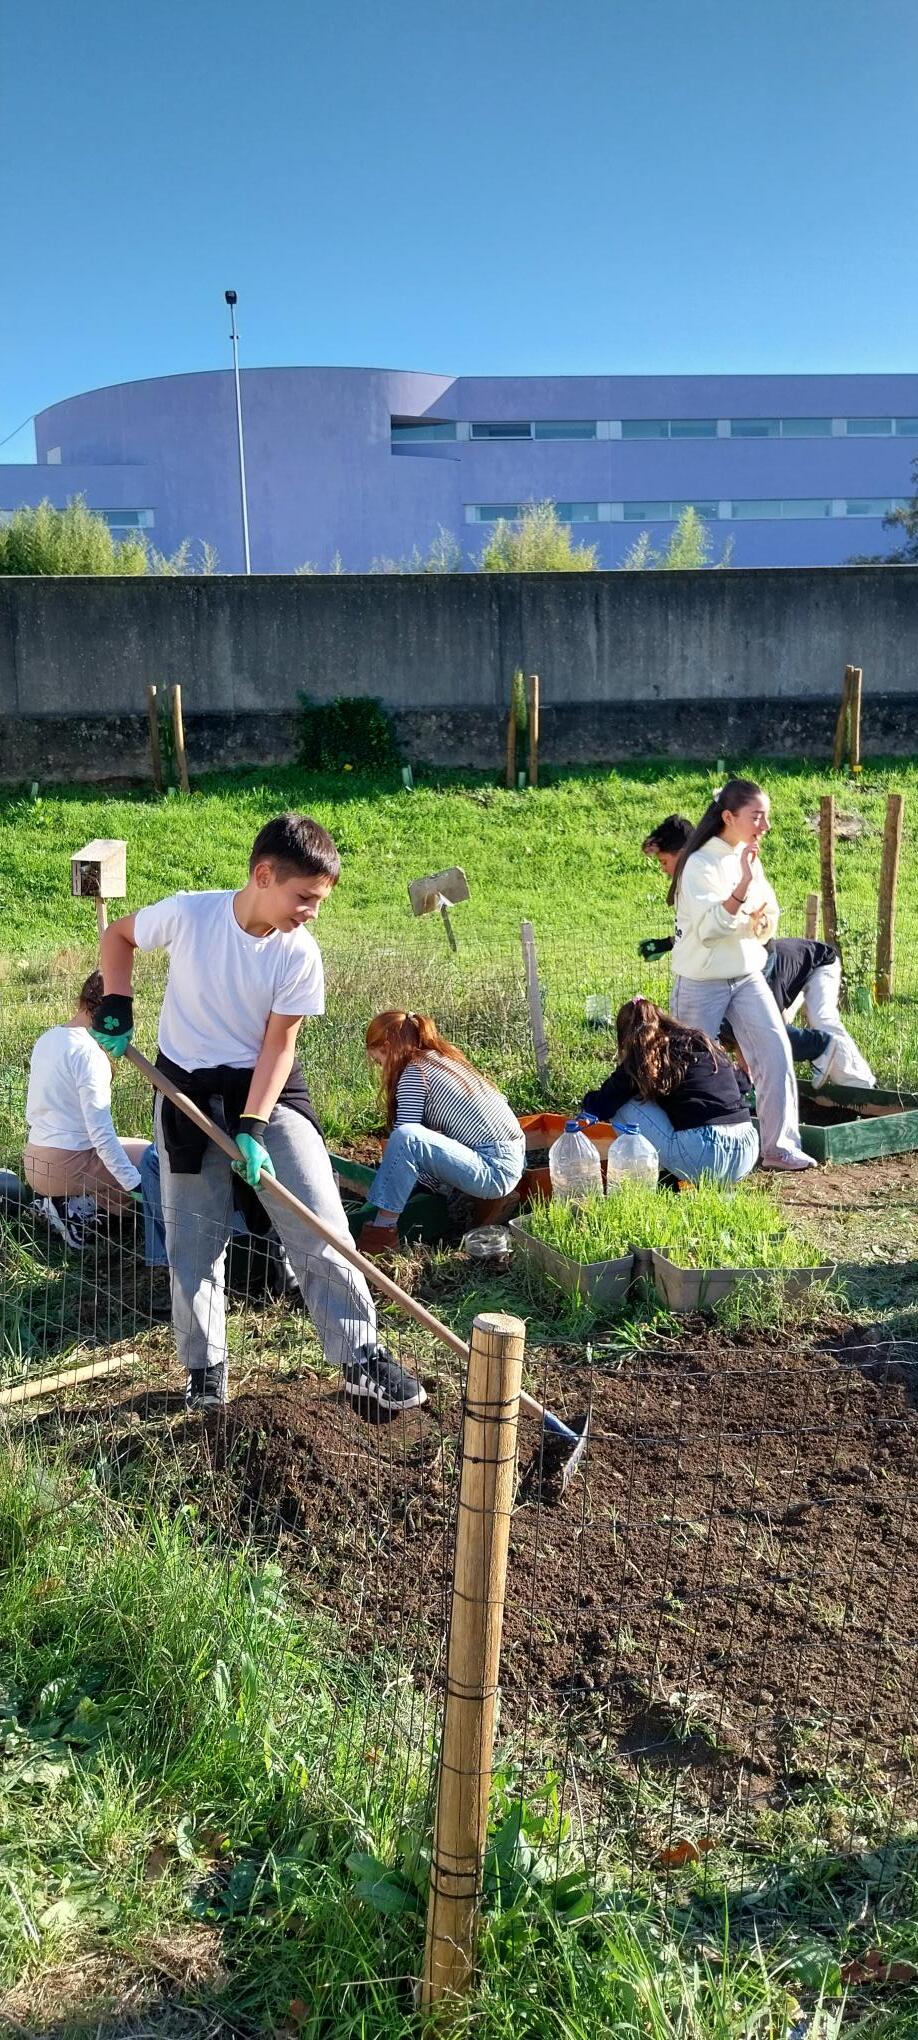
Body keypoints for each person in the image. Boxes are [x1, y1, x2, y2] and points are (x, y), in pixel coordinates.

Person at [92, 813, 425, 1412]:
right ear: (264, 875)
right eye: (304, 897)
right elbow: (118, 936)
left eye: (320, 901)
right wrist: (117, 1004)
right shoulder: (191, 915)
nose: (312, 912)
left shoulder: (300, 953)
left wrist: (252, 1126)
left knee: (320, 1218)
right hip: (183, 1089)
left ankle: (360, 1358)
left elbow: (280, 1044)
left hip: (265, 1088)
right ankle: (205, 1371)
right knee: (194, 1240)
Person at [642, 812, 875, 1090]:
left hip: (816, 963)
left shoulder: (711, 868)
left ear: (683, 853)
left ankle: (860, 1086)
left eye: (664, 861)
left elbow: (731, 921)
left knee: (818, 1021)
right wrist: (667, 943)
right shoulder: (694, 879)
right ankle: (834, 1075)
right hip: (767, 961)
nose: (663, 869)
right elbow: (701, 929)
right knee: (746, 1032)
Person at [665, 779, 815, 1170]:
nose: (764, 825)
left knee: (775, 1053)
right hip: (700, 980)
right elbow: (711, 930)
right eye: (757, 816)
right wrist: (744, 894)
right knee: (686, 1064)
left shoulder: (749, 855)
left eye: (766, 816)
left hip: (747, 973)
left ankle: (777, 1148)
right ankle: (683, 1148)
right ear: (729, 817)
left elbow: (769, 912)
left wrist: (749, 914)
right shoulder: (698, 864)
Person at [357, 1011, 525, 1255]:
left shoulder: (414, 1074)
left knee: (406, 1137)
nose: (380, 1067)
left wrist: (396, 1191)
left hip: (494, 1169)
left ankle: (381, 1232)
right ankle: (476, 1201)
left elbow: (407, 1143)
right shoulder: (441, 1059)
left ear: (387, 1048)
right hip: (514, 1156)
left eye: (378, 1060)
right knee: (418, 1140)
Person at [24, 969, 149, 1248]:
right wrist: (134, 1184)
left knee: (137, 1145)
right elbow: (101, 1136)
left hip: (35, 1158)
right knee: (152, 1159)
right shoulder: (90, 1055)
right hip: (66, 1164)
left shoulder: (48, 1038)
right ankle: (76, 1210)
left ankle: (70, 1202)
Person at [580, 997, 759, 1184]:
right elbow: (743, 1084)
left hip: (706, 1155)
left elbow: (604, 1103)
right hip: (747, 1149)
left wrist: (586, 1105)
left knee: (623, 1105)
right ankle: (717, 1185)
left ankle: (658, 1179)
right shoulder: (702, 1042)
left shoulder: (643, 1054)